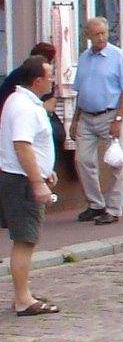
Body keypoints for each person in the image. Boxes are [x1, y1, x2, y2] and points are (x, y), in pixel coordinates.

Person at [1, 57, 61, 316]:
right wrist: (37, 182)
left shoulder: (21, 101)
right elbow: (22, 146)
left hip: (24, 177)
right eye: (50, 76)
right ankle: (23, 299)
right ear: (37, 81)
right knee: (25, 239)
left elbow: (32, 147)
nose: (53, 80)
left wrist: (47, 170)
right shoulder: (24, 107)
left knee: (26, 238)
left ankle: (22, 293)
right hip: (22, 182)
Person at [70, 16, 123, 225]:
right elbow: (81, 91)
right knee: (83, 160)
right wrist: (74, 119)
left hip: (110, 115)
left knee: (117, 163)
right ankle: (95, 204)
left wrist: (118, 119)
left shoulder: (118, 57)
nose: (100, 38)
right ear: (87, 36)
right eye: (95, 34)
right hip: (87, 116)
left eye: (103, 33)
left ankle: (114, 209)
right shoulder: (84, 58)